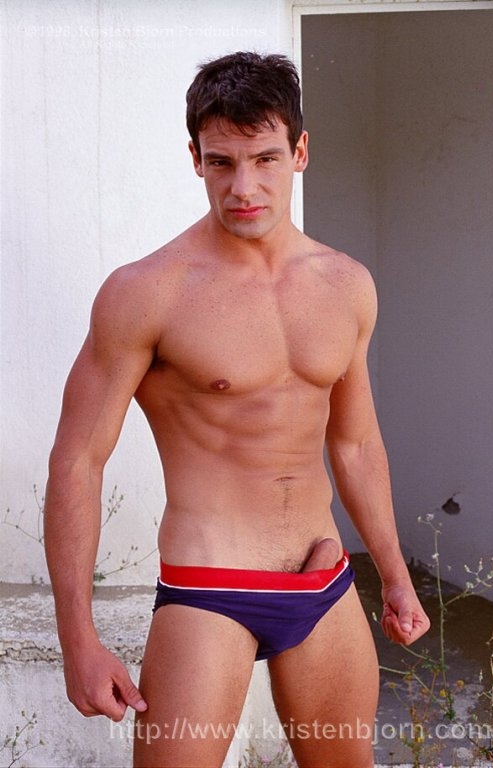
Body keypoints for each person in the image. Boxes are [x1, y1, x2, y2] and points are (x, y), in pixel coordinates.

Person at [44, 51, 430, 768]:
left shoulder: (346, 285)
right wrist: (79, 640)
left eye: (264, 159)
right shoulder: (146, 292)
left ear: (300, 152)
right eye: (221, 162)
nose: (243, 187)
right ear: (195, 158)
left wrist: (395, 575)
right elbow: (78, 460)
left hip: (322, 579)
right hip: (208, 589)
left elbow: (354, 444)